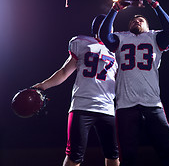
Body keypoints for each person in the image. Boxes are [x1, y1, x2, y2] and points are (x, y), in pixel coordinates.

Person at [99, 0, 169, 166]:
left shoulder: (155, 38)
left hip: (152, 103)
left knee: (167, 151)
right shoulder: (120, 38)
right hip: (126, 105)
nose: (136, 20)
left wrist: (154, 4)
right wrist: (115, 8)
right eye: (133, 20)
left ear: (148, 26)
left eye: (141, 20)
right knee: (128, 156)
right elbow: (104, 34)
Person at [32, 15, 119, 166]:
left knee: (113, 155)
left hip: (107, 107)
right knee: (74, 155)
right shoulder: (82, 43)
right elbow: (65, 71)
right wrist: (43, 85)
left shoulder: (117, 49)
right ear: (97, 28)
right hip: (81, 105)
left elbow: (123, 80)